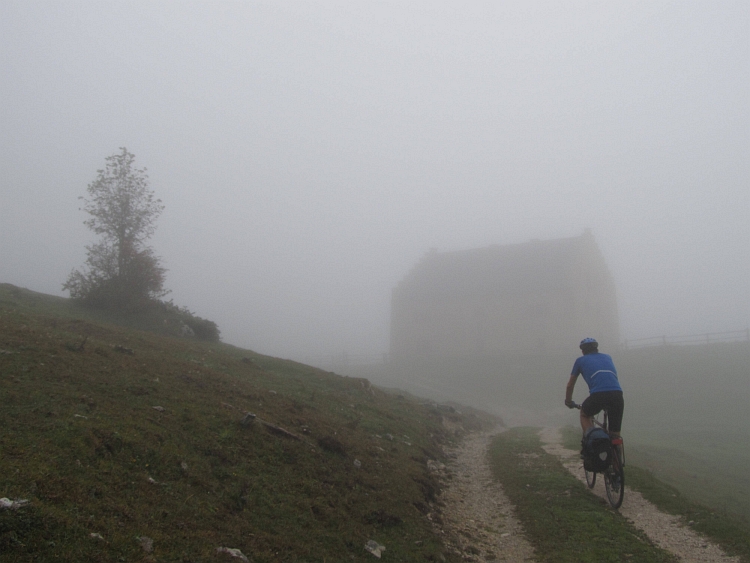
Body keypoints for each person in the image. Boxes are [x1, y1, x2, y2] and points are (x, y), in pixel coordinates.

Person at [564, 337, 624, 439]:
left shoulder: (580, 361)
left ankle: (593, 441)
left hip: (598, 395)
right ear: (597, 349)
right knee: (615, 434)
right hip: (617, 394)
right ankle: (616, 453)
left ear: (582, 351)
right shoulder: (608, 357)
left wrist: (569, 401)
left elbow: (570, 385)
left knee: (584, 414)